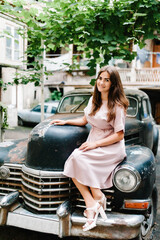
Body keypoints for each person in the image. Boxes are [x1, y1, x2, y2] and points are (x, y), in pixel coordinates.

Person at [50, 65, 129, 232]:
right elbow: (84, 120)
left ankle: (96, 197)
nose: (102, 82)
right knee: (73, 162)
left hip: (110, 147)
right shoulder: (95, 100)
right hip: (94, 141)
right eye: (100, 78)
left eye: (107, 80)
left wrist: (95, 144)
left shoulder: (117, 105)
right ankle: (92, 202)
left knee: (77, 158)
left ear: (113, 84)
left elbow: (119, 135)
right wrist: (65, 121)